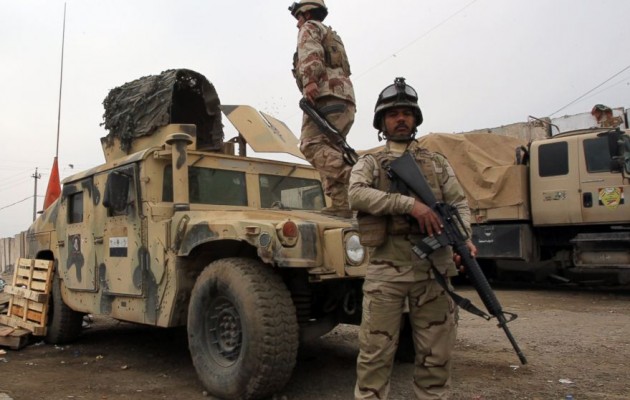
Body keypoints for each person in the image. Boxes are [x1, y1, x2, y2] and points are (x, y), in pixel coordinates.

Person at [349, 77, 477, 399]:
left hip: (434, 271)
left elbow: (459, 204)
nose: (401, 119)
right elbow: (356, 194)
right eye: (393, 114)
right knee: (375, 354)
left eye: (407, 113)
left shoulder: (437, 163)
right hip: (386, 271)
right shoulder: (370, 163)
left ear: (416, 119)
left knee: (436, 355)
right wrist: (409, 205)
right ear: (382, 123)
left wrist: (464, 238)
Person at [289, 0, 356, 218]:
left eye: (298, 18)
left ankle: (361, 179)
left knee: (311, 145)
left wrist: (310, 80)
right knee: (330, 151)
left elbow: (311, 53)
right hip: (344, 100)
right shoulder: (332, 35)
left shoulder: (310, 27)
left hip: (326, 97)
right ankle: (342, 204)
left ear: (307, 14)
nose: (297, 24)